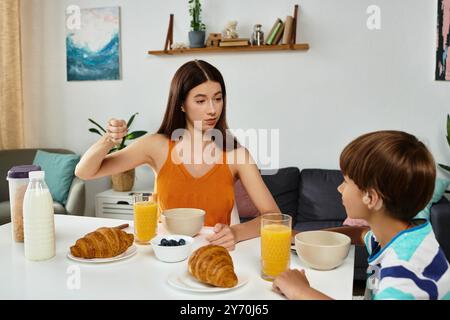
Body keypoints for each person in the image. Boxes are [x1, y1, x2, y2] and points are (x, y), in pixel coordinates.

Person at [75, 59, 280, 251]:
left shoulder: (236, 154)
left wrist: (236, 232)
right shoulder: (157, 146)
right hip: (164, 252)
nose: (212, 110)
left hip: (214, 254)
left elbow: (274, 217)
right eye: (201, 101)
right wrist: (108, 140)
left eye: (218, 99)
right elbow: (85, 172)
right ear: (181, 104)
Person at [273, 130, 450, 300]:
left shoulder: (404, 275)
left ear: (371, 198)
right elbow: (360, 233)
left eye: (346, 181)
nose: (339, 188)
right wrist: (307, 238)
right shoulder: (398, 235)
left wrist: (300, 291)